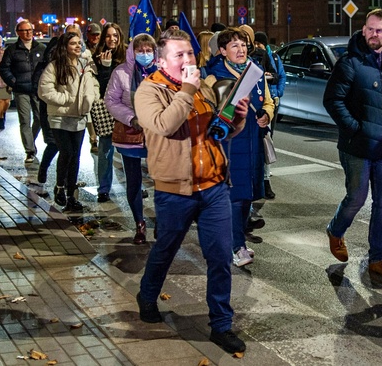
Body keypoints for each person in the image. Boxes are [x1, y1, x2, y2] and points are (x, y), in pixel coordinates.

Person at [133, 31, 249, 355]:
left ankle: (221, 324)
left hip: (213, 186)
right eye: (178, 55)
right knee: (166, 249)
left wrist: (237, 119)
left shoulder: (203, 88)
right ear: (161, 61)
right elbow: (165, 125)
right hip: (175, 190)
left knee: (220, 257)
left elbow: (218, 133)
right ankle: (147, 294)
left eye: (190, 54)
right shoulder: (149, 91)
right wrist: (187, 90)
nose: (187, 60)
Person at [323, 9, 382, 280]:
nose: (373, 34)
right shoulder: (349, 62)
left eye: (379, 30)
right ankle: (335, 230)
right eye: (369, 28)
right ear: (364, 29)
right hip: (356, 146)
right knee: (356, 198)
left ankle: (377, 259)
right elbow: (332, 100)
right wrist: (354, 128)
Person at [204, 28, 274, 267]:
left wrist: (266, 114)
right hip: (230, 143)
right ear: (223, 51)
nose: (241, 49)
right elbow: (208, 111)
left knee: (247, 196)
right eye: (234, 45)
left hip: (253, 140)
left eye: (243, 45)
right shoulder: (214, 77)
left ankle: (238, 240)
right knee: (234, 196)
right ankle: (237, 247)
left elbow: (268, 100)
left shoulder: (256, 72)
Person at [37, 32, 99, 212]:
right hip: (60, 116)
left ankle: (71, 195)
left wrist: (91, 98)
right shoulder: (55, 66)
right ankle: (60, 187)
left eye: (79, 43)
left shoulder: (85, 64)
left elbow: (94, 84)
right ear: (65, 47)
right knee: (67, 152)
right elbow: (44, 90)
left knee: (76, 156)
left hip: (79, 115)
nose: (78, 46)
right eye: (73, 43)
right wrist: (65, 98)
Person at [105, 33, 157, 244]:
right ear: (131, 51)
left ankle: (162, 221)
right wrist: (131, 118)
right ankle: (139, 223)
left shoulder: (161, 72)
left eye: (148, 50)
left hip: (157, 132)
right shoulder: (121, 73)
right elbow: (111, 100)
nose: (144, 54)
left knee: (161, 179)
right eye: (140, 50)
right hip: (130, 133)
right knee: (134, 180)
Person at [0, 20, 46, 163]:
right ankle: (30, 150)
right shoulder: (12, 50)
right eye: (24, 30)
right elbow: (3, 68)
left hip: (38, 90)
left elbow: (47, 67)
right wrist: (13, 82)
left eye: (30, 30)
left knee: (40, 119)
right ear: (18, 33)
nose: (28, 33)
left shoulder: (41, 48)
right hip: (21, 90)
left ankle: (30, 140)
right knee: (25, 120)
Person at [93, 23, 126, 203]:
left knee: (129, 149)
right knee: (105, 150)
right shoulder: (97, 58)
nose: (112, 39)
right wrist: (105, 67)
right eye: (108, 35)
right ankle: (104, 188)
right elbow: (104, 88)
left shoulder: (127, 55)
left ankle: (135, 185)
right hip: (107, 110)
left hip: (126, 108)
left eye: (115, 35)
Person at [253, 30, 285, 200]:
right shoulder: (251, 59)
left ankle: (265, 181)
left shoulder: (271, 56)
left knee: (266, 141)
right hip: (255, 107)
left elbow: (279, 76)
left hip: (268, 103)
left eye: (259, 43)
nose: (255, 46)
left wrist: (276, 94)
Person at [85, 23, 102, 153]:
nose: (95, 37)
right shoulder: (83, 49)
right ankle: (93, 139)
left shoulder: (103, 47)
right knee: (90, 113)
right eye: (92, 35)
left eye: (97, 35)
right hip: (90, 83)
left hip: (103, 82)